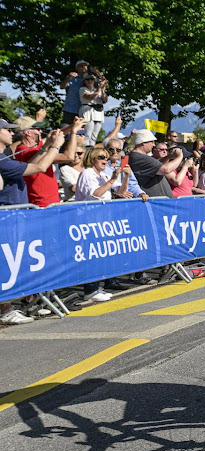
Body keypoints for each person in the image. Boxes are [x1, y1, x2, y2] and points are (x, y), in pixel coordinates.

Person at [0, 123, 66, 324]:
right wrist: (56, 146)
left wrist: (47, 146)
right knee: (7, 261)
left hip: (16, 214)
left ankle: (18, 303)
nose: (13, 133)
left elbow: (32, 163)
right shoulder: (1, 160)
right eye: (7, 129)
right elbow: (39, 167)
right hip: (8, 215)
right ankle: (6, 308)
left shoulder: (5, 156)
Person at [128, 129, 183, 198]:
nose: (153, 145)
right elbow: (165, 169)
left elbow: (158, 166)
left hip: (158, 203)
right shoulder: (139, 157)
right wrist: (180, 156)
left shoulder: (138, 157)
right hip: (155, 204)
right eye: (152, 142)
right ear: (143, 142)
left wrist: (168, 157)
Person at [79, 74, 108, 147]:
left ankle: (92, 148)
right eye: (87, 79)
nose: (89, 81)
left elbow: (105, 100)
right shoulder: (83, 89)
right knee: (88, 133)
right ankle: (86, 149)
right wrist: (99, 89)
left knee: (95, 134)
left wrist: (103, 90)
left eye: (91, 79)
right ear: (84, 81)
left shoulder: (98, 90)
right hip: (88, 111)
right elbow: (91, 97)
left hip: (98, 111)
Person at [59, 60, 89, 127]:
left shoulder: (90, 79)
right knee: (65, 128)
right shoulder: (72, 78)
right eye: (81, 66)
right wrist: (68, 78)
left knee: (80, 132)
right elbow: (62, 86)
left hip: (84, 111)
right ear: (76, 68)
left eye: (85, 66)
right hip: (70, 109)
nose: (83, 67)